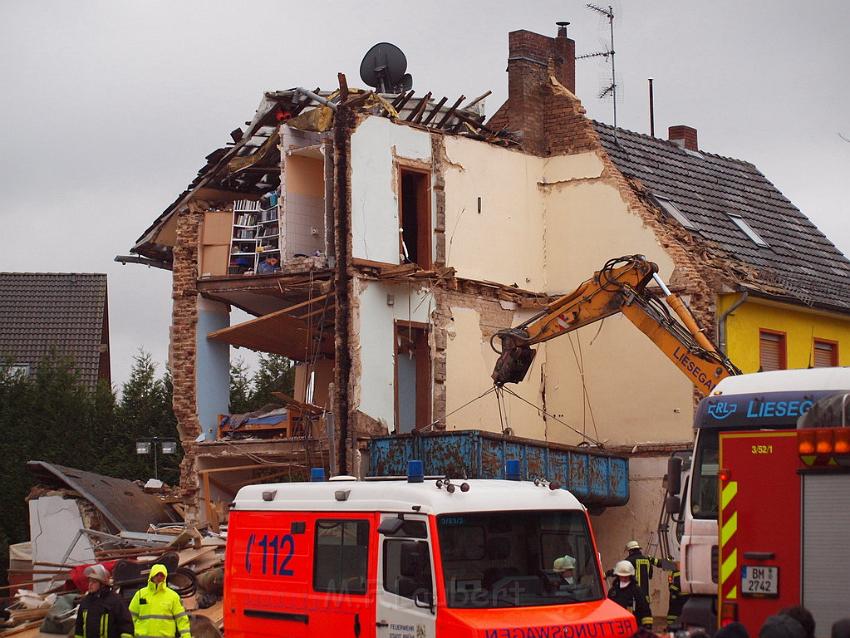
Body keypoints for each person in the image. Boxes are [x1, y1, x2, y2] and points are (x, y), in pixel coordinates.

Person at [129, 564, 191, 638]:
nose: (159, 577)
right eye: (157, 574)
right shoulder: (140, 594)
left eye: (162, 575)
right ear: (152, 575)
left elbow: (181, 619)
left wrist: (186, 636)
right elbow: (130, 618)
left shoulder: (173, 596)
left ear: (165, 577)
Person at [74, 564, 134, 638]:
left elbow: (126, 625)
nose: (90, 584)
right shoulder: (86, 601)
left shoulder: (116, 601)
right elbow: (79, 627)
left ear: (102, 584)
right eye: (89, 581)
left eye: (94, 582)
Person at [607, 560, 652, 629]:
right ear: (618, 575)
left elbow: (645, 609)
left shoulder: (636, 591)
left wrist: (647, 627)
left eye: (626, 576)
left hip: (634, 627)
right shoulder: (613, 591)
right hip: (616, 628)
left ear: (630, 575)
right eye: (622, 576)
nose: (624, 578)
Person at [624, 540, 663, 619]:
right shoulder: (647, 560)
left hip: (634, 596)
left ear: (630, 551)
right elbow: (650, 576)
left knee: (635, 617)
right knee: (645, 616)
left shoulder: (628, 561)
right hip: (645, 595)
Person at [665, 562, 688, 629]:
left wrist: (673, 591)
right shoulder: (672, 569)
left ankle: (672, 627)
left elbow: (673, 584)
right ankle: (670, 626)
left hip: (679, 596)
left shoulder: (677, 568)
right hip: (679, 596)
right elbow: (670, 583)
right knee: (673, 613)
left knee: (675, 613)